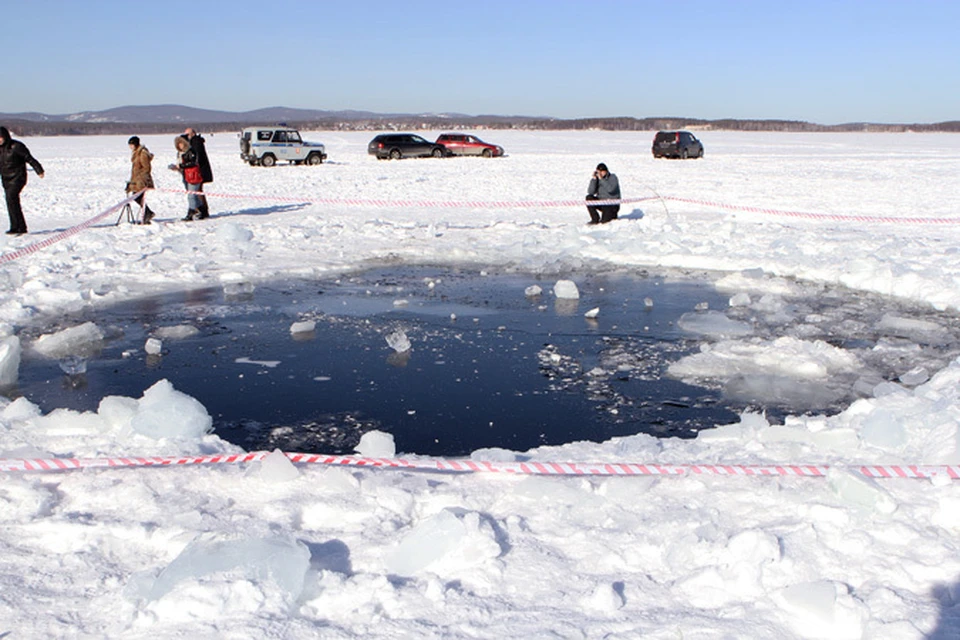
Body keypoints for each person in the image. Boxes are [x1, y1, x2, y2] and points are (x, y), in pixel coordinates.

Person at [0, 126, 44, 235]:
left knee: (12, 198)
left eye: (0, 137)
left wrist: (39, 170)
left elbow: (29, 158)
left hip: (18, 177)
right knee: (11, 202)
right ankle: (17, 227)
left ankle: (19, 227)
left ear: (5, 136)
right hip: (6, 178)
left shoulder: (16, 146)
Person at [169, 135, 203, 221]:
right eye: (178, 144)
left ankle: (191, 212)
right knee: (192, 195)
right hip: (185, 175)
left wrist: (180, 166)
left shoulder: (191, 151)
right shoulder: (180, 154)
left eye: (181, 143)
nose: (180, 146)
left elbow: (193, 163)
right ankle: (201, 209)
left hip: (193, 176)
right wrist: (177, 168)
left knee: (191, 195)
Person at [126, 136, 157, 224]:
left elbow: (146, 168)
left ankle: (148, 213)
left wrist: (141, 178)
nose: (130, 147)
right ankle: (146, 213)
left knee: (137, 196)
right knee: (137, 196)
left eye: (131, 145)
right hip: (137, 179)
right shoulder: (136, 153)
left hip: (142, 180)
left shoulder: (142, 153)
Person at [183, 128, 213, 219]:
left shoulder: (196, 142)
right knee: (197, 191)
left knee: (197, 191)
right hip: (197, 170)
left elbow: (197, 157)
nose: (186, 136)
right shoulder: (195, 142)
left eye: (187, 134)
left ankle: (202, 210)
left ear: (192, 134)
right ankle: (200, 209)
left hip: (199, 171)